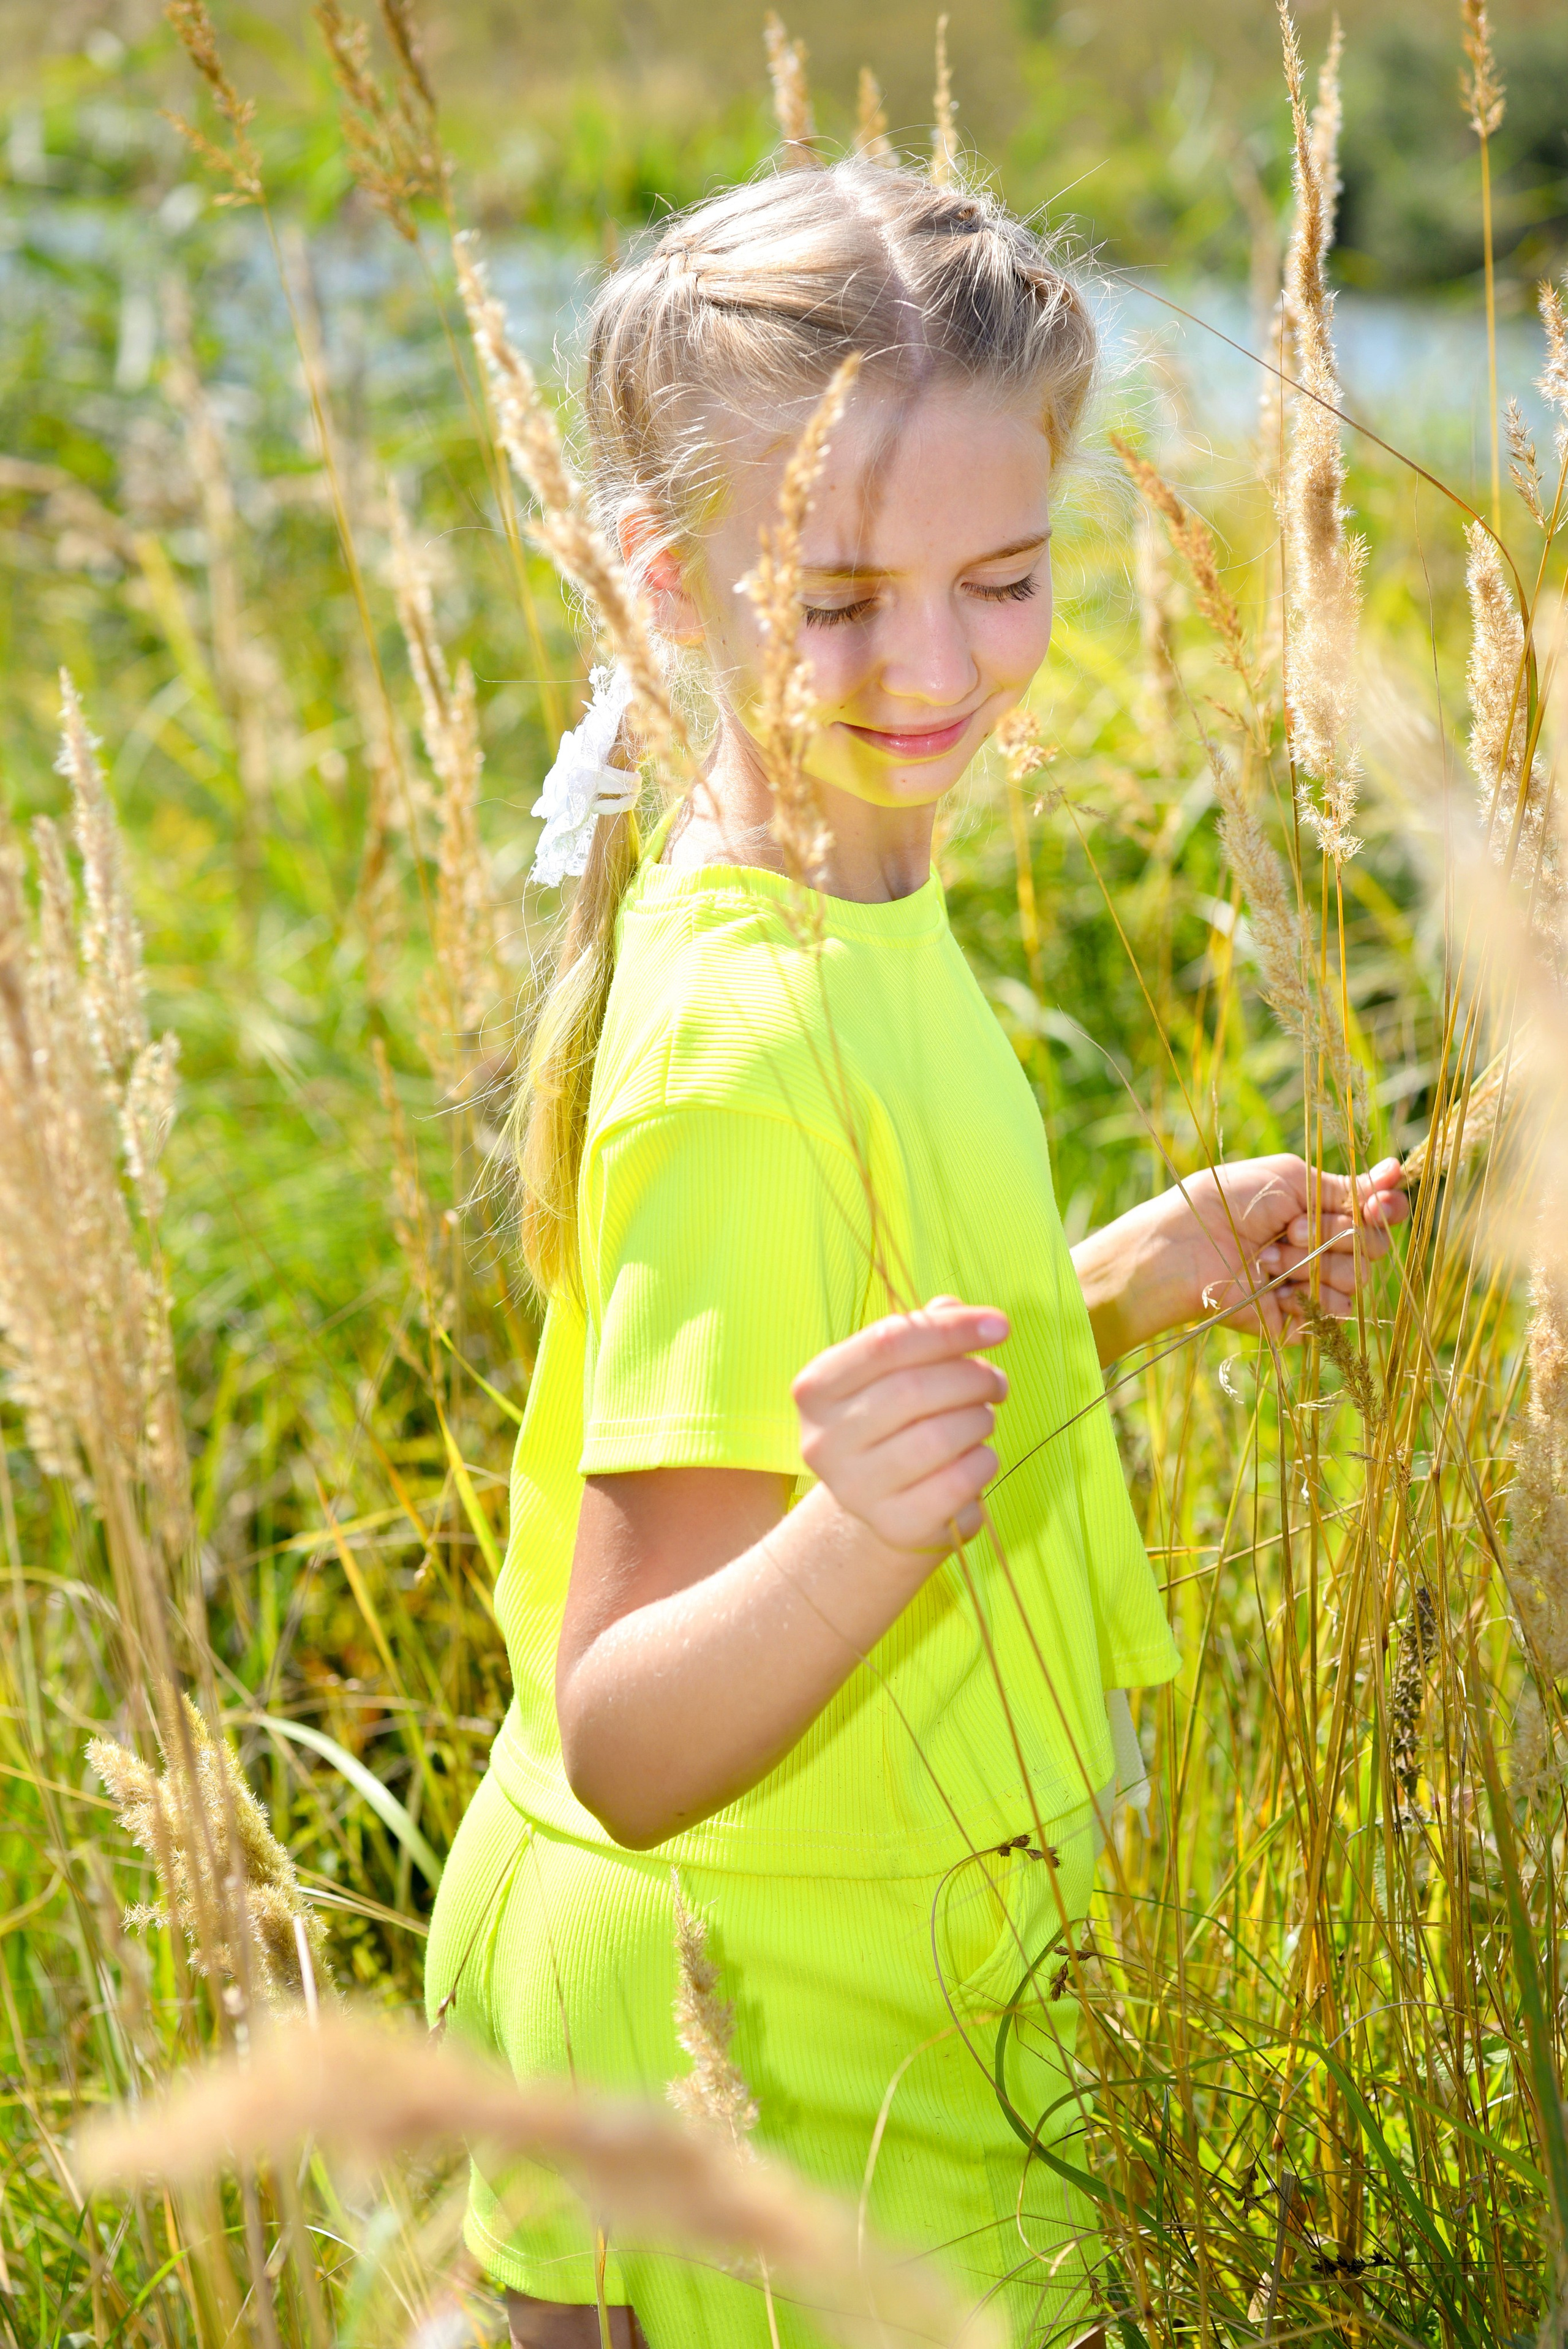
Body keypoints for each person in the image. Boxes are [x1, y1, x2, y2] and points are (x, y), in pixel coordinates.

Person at [426, 159, 1406, 2348]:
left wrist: (1125, 1280)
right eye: (842, 599)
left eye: (1005, 577)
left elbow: (845, 1340)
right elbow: (624, 1729)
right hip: (755, 2021)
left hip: (879, 1956)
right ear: (678, 589)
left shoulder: (861, 891)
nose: (938, 665)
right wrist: (859, 1547)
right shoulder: (744, 1036)